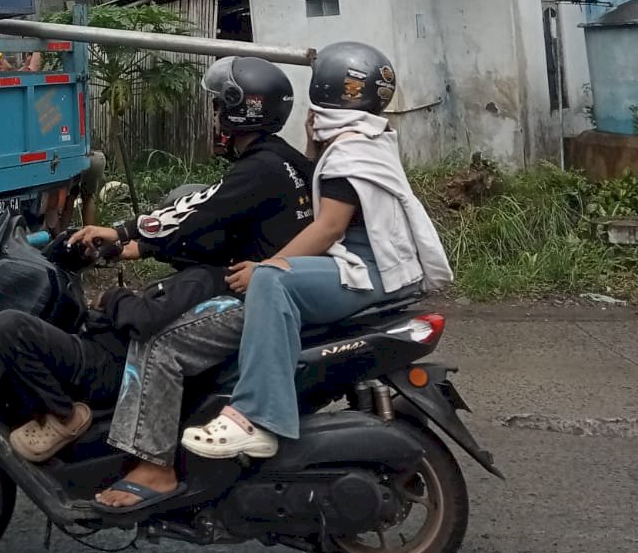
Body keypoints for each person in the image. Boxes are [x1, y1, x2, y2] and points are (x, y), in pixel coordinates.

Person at [95, 41, 452, 510]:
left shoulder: (345, 152)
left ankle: (254, 417)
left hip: (366, 271)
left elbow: (328, 227)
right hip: (376, 267)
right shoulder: (361, 142)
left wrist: (267, 267)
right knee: (271, 278)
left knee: (268, 283)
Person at [0, 55, 313, 464]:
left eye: (220, 105)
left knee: (158, 344)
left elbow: (197, 214)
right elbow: (205, 224)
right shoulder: (284, 161)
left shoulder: (258, 170)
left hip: (247, 295)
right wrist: (130, 247)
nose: (215, 115)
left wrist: (121, 240)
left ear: (240, 109)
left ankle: (146, 464)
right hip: (261, 286)